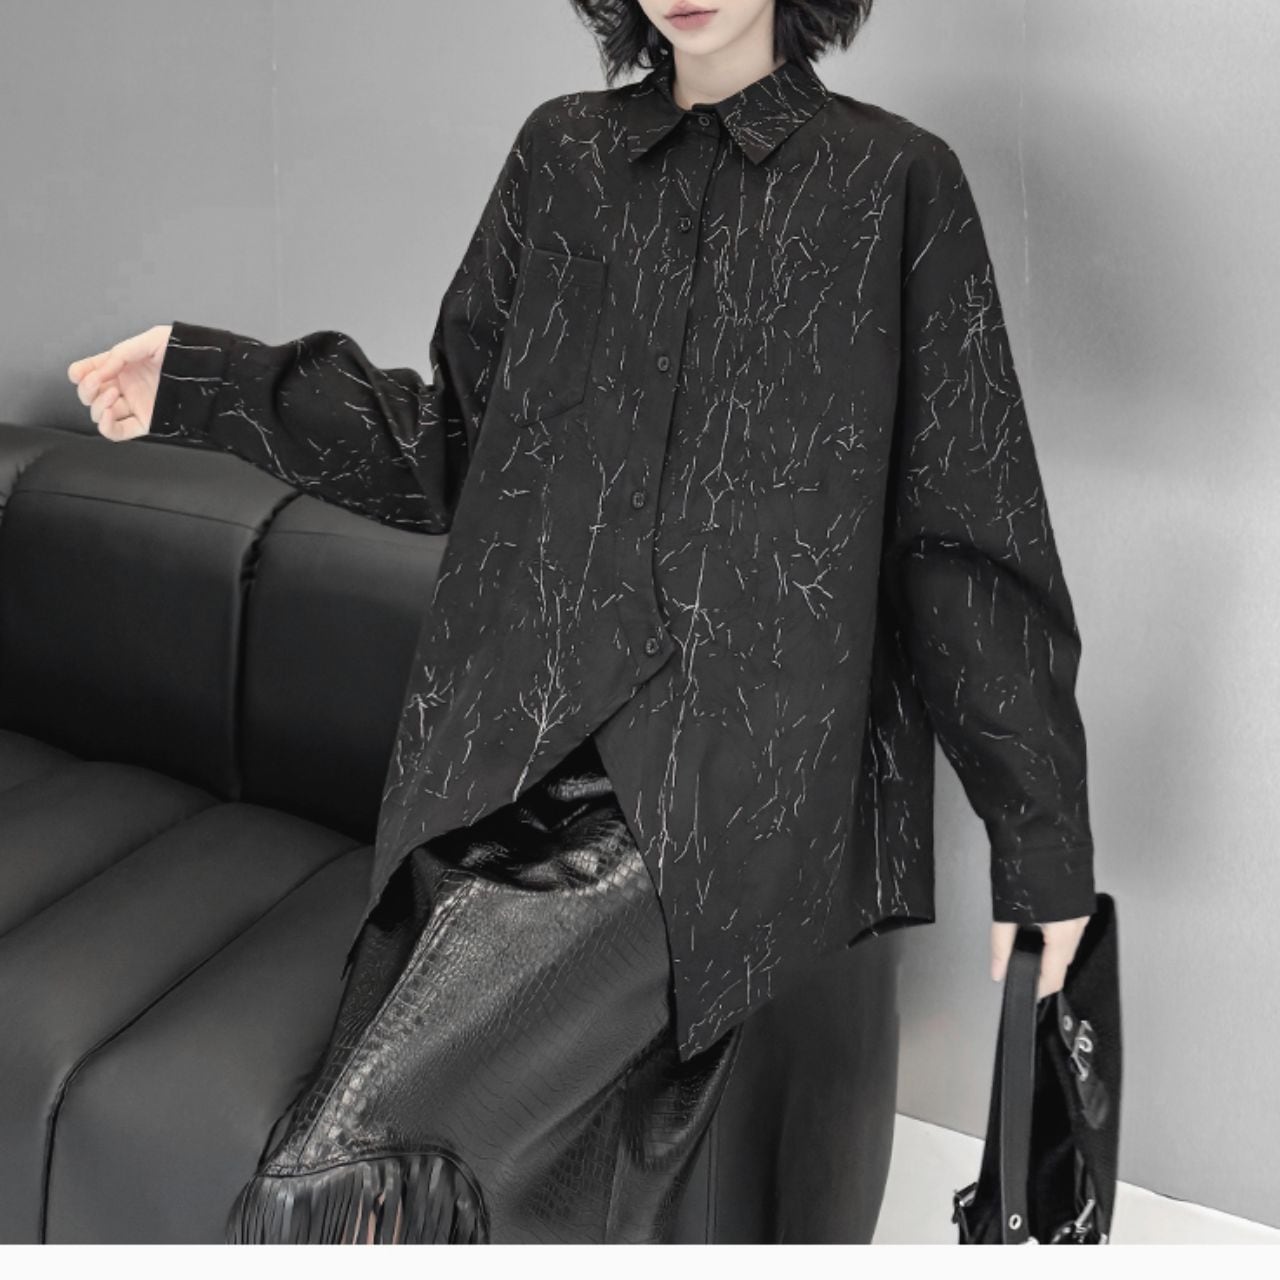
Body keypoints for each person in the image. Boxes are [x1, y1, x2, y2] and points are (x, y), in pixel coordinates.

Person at [66, 0, 1097, 1245]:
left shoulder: (892, 182)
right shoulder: (561, 153)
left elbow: (962, 546)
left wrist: (1042, 859)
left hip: (722, 800)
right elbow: (445, 442)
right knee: (404, 1164)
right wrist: (205, 379)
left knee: (334, 1181)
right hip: (500, 760)